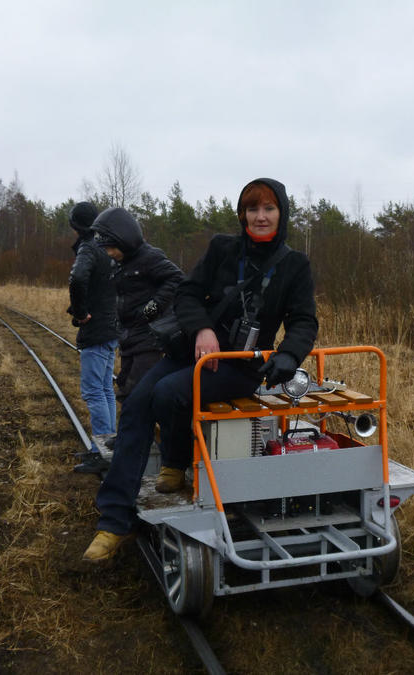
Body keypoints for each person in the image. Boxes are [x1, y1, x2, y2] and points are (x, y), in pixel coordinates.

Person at [83, 177, 318, 561]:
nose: (260, 217)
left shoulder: (294, 265)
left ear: (281, 213)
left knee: (169, 392)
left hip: (240, 366)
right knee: (138, 403)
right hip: (195, 351)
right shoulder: (223, 249)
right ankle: (113, 520)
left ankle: (175, 461)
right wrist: (202, 328)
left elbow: (304, 320)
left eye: (268, 209)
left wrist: (289, 356)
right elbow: (188, 292)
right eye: (252, 209)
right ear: (242, 214)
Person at [90, 207, 184, 403]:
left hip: (148, 339)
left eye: (111, 247)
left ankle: (138, 433)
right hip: (128, 338)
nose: (109, 253)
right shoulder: (119, 263)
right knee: (125, 388)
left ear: (124, 240)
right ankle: (133, 433)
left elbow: (176, 279)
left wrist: (153, 307)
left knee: (137, 395)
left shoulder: (150, 257)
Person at [68, 201, 120, 475]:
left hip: (97, 328)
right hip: (111, 325)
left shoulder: (89, 247)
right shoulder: (108, 246)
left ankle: (103, 451)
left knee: (93, 391)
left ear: (76, 226)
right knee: (105, 388)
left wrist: (80, 312)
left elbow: (77, 280)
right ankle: (107, 445)